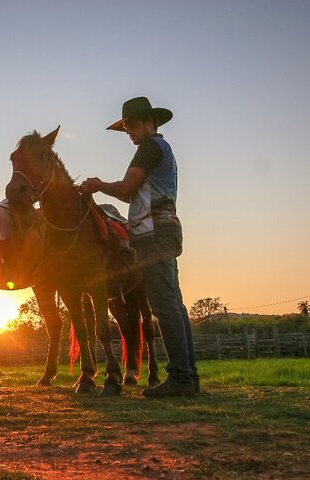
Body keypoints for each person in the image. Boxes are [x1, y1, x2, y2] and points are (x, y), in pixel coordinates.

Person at [81, 96, 199, 397]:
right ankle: (188, 376)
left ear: (150, 122)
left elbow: (125, 189)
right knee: (174, 303)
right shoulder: (162, 149)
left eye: (132, 124)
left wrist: (97, 185)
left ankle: (181, 378)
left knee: (163, 304)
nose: (129, 132)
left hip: (153, 232)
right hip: (165, 228)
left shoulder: (149, 148)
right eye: (125, 127)